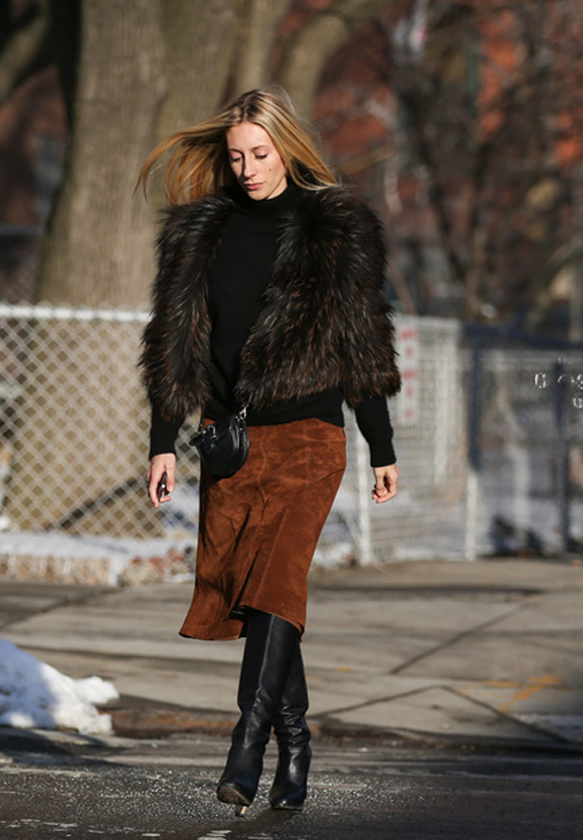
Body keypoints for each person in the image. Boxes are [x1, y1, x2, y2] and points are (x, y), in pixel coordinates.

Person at [137, 88, 401, 814]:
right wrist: (164, 443)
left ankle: (245, 746)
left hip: (310, 437)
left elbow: (361, 342)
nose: (249, 168)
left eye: (260, 153)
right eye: (236, 156)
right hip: (231, 441)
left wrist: (381, 444)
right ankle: (297, 737)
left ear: (287, 148)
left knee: (278, 582)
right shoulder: (199, 233)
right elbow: (174, 344)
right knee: (254, 601)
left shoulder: (332, 229)